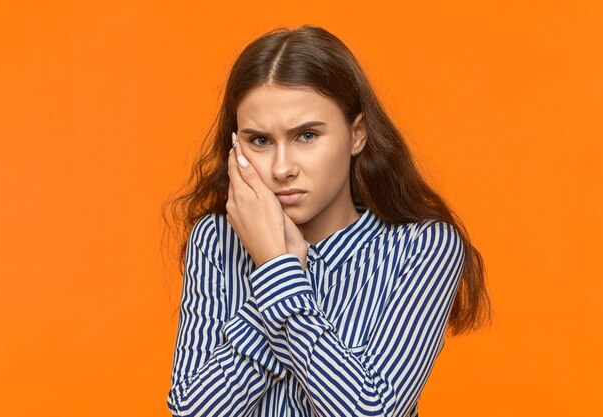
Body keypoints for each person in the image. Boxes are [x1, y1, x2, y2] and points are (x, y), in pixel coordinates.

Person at [164, 24, 492, 417]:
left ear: (357, 134)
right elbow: (191, 410)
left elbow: (371, 411)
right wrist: (280, 275)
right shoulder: (216, 240)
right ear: (237, 147)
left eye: (306, 136)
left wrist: (275, 270)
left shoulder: (421, 248)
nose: (282, 168)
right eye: (260, 141)